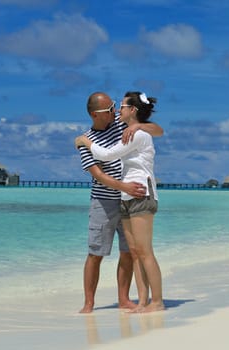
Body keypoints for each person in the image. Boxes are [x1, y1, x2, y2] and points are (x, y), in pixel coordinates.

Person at [75, 91, 164, 313]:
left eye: (117, 106)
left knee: (133, 252)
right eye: (110, 109)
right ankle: (89, 303)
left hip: (133, 198)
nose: (115, 111)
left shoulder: (121, 122)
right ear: (96, 114)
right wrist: (123, 186)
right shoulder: (88, 138)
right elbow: (99, 174)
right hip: (105, 201)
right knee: (96, 253)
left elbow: (158, 130)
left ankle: (130, 299)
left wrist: (139, 126)